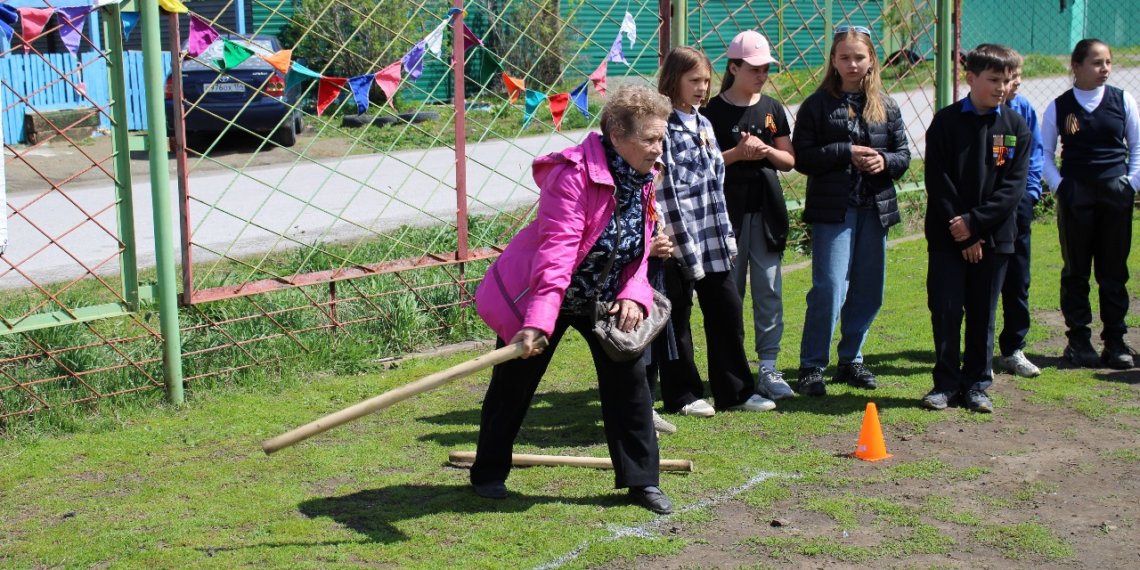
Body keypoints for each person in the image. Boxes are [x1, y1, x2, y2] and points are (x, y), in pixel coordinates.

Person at [470, 85, 674, 514]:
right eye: (651, 139)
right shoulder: (574, 175)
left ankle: (642, 481)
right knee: (512, 384)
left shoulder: (642, 176)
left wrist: (634, 293)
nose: (660, 148)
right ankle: (488, 473)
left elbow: (638, 244)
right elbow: (556, 253)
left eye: (662, 137)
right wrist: (538, 322)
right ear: (617, 134)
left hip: (604, 297)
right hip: (549, 296)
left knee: (631, 387)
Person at [655, 46, 775, 416]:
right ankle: (683, 395)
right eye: (694, 80)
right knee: (677, 317)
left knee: (726, 310)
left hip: (712, 236)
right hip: (676, 236)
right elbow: (663, 186)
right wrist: (664, 234)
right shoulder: (660, 125)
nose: (702, 88)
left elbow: (713, 182)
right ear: (673, 80)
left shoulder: (704, 123)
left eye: (706, 80)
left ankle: (735, 392)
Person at [792, 24, 911, 396]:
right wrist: (845, 152)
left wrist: (884, 162)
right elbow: (803, 158)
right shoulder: (816, 104)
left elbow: (903, 155)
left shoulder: (886, 105)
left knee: (868, 289)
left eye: (859, 56)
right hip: (834, 211)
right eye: (844, 57)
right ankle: (812, 366)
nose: (852, 63)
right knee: (828, 287)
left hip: (874, 208)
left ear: (871, 59)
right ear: (833, 60)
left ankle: (851, 360)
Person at [922, 44, 1030, 413]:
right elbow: (938, 180)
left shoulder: (1015, 126)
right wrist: (962, 228)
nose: (1001, 87)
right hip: (948, 235)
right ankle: (946, 384)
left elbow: (1012, 188)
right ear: (971, 78)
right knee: (947, 308)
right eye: (993, 79)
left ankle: (977, 384)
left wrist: (976, 227)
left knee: (983, 313)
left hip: (994, 238)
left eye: (1007, 80)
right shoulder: (946, 122)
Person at [703, 29, 796, 400]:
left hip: (766, 213)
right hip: (727, 216)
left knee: (769, 289)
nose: (761, 75)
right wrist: (736, 155)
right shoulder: (712, 112)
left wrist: (767, 152)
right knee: (731, 294)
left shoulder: (771, 109)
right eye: (754, 68)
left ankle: (769, 368)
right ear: (734, 67)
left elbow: (789, 160)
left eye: (765, 68)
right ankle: (734, 370)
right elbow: (703, 164)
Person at [1040, 38, 1138, 370]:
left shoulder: (1123, 100)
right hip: (1076, 197)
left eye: (1108, 62)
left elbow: (1137, 147)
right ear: (1076, 66)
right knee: (1076, 271)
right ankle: (1078, 342)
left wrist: (1130, 184)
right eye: (1097, 62)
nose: (1105, 68)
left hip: (1115, 195)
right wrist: (1061, 187)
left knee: (1113, 272)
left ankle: (1116, 341)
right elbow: (1044, 154)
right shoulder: (1059, 106)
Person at [995, 53, 1045, 378]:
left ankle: (1013, 349)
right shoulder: (986, 115)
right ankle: (979, 350)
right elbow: (997, 164)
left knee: (1018, 280)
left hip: (1019, 207)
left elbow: (1037, 152)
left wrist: (1031, 192)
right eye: (1011, 75)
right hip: (988, 210)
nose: (1018, 82)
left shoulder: (1023, 109)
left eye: (1019, 75)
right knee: (983, 283)